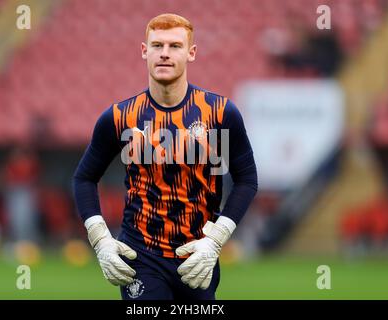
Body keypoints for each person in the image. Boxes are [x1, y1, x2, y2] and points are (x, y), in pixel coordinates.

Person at [73, 13, 258, 300]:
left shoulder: (221, 113)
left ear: (191, 53)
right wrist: (100, 240)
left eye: (175, 46)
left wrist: (215, 240)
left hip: (197, 255)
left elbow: (247, 179)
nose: (165, 54)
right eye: (157, 45)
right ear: (144, 51)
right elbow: (84, 178)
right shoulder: (120, 117)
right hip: (140, 255)